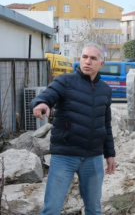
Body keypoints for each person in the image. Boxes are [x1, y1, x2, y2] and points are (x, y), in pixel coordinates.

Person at [31, 42, 116, 215]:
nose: (87, 61)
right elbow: (47, 95)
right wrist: (41, 103)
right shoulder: (65, 81)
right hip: (65, 155)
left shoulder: (105, 90)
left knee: (94, 209)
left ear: (101, 63)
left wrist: (110, 154)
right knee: (52, 209)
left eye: (93, 58)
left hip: (92, 158)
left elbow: (105, 124)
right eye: (84, 57)